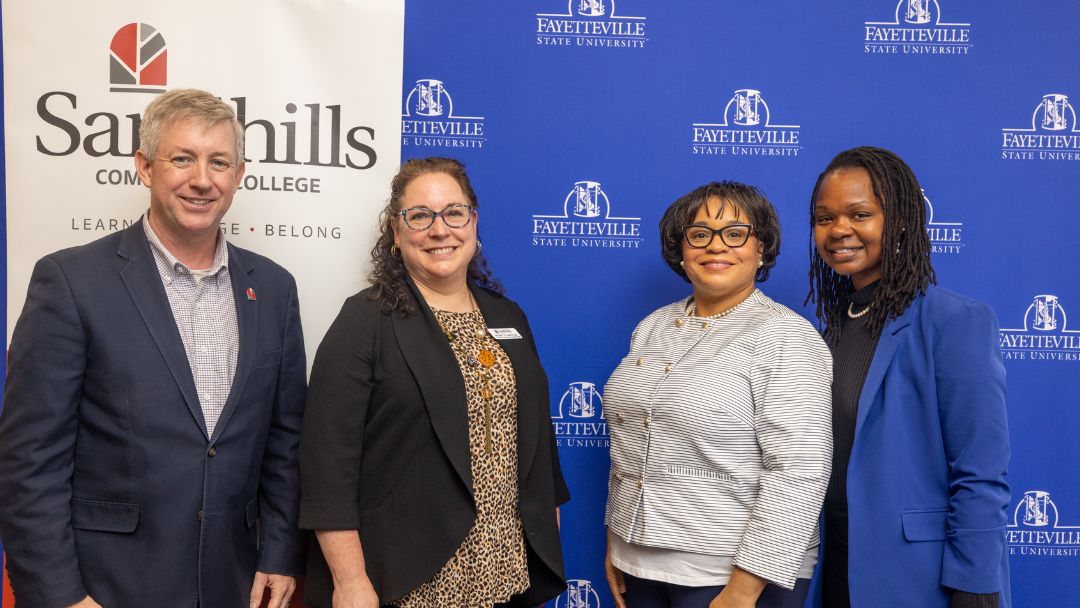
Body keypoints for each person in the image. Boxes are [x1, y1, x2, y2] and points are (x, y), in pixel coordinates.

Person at [0, 89, 307, 607]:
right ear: (144, 167)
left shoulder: (274, 289)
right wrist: (60, 596)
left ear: (240, 175)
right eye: (182, 159)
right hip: (105, 589)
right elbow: (30, 458)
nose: (201, 180)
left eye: (219, 162)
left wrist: (279, 552)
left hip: (233, 583)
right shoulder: (72, 281)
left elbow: (285, 442)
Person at [298, 157, 569, 608]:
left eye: (454, 213)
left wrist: (544, 545)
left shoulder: (509, 317)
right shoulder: (365, 319)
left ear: (473, 221)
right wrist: (350, 582)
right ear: (396, 231)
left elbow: (539, 449)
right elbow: (326, 467)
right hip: (406, 580)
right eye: (420, 216)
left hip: (505, 574)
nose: (439, 230)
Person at [604, 182, 833, 608]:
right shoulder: (653, 326)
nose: (716, 246)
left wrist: (744, 590)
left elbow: (799, 469)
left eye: (734, 233)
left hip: (732, 574)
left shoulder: (785, 336)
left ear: (760, 247)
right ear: (681, 249)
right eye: (699, 234)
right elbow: (631, 445)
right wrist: (618, 541)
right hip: (640, 563)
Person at [807, 146, 1010, 608]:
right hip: (834, 565)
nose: (840, 230)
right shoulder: (829, 327)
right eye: (825, 218)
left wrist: (975, 588)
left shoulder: (954, 321)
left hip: (919, 576)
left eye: (860, 214)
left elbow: (980, 471)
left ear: (899, 220)